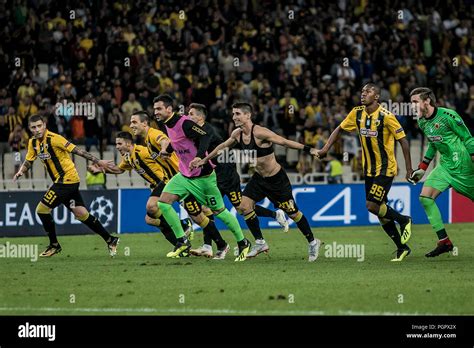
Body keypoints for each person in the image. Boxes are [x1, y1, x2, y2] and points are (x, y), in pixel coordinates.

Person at [193, 102, 322, 262]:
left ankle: (312, 241)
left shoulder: (261, 132)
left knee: (293, 213)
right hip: (258, 178)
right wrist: (204, 160)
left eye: (238, 114)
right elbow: (223, 147)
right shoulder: (237, 134)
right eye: (233, 114)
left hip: (276, 180)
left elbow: (284, 142)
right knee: (243, 206)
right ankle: (260, 243)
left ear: (248, 115)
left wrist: (310, 150)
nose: (234, 117)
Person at [316, 83, 414, 262]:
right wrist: (325, 148)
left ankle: (404, 219)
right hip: (368, 170)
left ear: (376, 96)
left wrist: (408, 168)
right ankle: (402, 247)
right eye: (362, 91)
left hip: (385, 169)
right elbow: (339, 128)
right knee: (378, 210)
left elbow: (404, 141)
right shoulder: (357, 112)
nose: (363, 94)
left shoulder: (387, 116)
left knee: (371, 205)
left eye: (368, 91)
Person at [153, 95, 251, 262]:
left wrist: (199, 157)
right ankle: (182, 242)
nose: (155, 112)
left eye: (159, 109)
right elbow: (177, 140)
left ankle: (243, 243)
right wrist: (167, 150)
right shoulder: (167, 124)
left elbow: (205, 135)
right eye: (155, 109)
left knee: (219, 212)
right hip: (184, 176)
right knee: (162, 202)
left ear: (169, 109)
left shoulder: (184, 122)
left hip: (204, 177)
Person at [187, 103, 289, 257]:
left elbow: (210, 149)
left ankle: (273, 218)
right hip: (215, 175)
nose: (188, 117)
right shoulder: (198, 132)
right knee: (209, 208)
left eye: (191, 114)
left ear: (200, 117)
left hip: (226, 175)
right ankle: (208, 246)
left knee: (240, 208)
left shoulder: (207, 131)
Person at [129, 110, 231, 259]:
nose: (131, 125)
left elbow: (163, 140)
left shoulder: (153, 134)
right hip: (171, 180)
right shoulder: (146, 141)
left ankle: (219, 243)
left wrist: (164, 148)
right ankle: (188, 238)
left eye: (134, 122)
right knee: (153, 211)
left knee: (199, 215)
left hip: (183, 178)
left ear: (145, 123)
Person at [13, 114, 119, 257]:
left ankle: (54, 245)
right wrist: (21, 171)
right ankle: (110, 239)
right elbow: (29, 161)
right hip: (62, 182)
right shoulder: (32, 143)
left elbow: (78, 151)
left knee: (41, 210)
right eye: (33, 127)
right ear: (30, 129)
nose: (37, 129)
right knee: (81, 214)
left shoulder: (55, 139)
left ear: (44, 125)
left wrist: (98, 161)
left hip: (67, 180)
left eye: (39, 126)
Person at [94, 131, 194, 254]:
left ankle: (183, 225)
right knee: (150, 220)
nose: (117, 147)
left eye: (119, 143)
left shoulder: (142, 151)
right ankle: (182, 246)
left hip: (164, 182)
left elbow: (163, 158)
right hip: (155, 186)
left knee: (151, 206)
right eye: (116, 144)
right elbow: (119, 170)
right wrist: (101, 170)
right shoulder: (128, 157)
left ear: (128, 143)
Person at [409, 87, 474, 257]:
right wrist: (422, 168)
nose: (412, 106)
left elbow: (468, 137)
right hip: (444, 167)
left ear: (427, 101)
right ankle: (444, 241)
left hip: (464, 167)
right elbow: (433, 143)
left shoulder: (448, 116)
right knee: (425, 198)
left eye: (415, 102)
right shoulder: (422, 121)